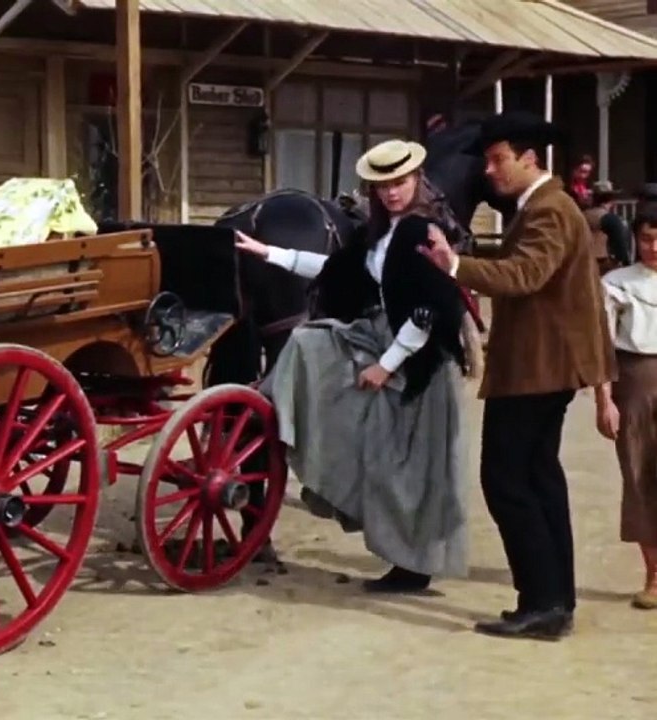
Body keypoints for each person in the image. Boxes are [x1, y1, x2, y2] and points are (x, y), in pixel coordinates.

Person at [237, 139, 472, 594]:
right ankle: (277, 407)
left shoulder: (420, 231)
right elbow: (333, 269)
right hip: (385, 338)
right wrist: (270, 254)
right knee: (310, 341)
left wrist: (386, 366)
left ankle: (415, 566)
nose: (391, 193)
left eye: (400, 182)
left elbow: (430, 309)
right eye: (382, 185)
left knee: (408, 471)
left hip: (416, 358)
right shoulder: (382, 234)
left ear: (417, 181)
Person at [418, 110, 616, 641]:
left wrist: (453, 266)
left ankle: (543, 602)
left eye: (498, 159)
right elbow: (517, 261)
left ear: (530, 159)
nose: (489, 170)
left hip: (537, 367)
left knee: (506, 480)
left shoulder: (549, 209)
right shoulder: (542, 207)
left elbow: (525, 273)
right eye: (487, 159)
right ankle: (552, 600)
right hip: (545, 366)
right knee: (540, 480)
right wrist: (464, 254)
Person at [596, 212, 657, 610]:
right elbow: (601, 347)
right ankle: (654, 575)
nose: (656, 247)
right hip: (635, 379)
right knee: (639, 476)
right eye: (649, 239)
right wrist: (603, 400)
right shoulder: (616, 283)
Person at [582, 179, 634, 273]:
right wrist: (626, 265)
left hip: (582, 263)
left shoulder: (581, 215)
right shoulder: (610, 219)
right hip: (603, 266)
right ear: (611, 199)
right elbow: (620, 247)